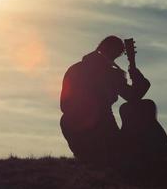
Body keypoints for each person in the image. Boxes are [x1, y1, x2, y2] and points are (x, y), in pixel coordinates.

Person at [60, 36, 153, 164]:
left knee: (92, 160)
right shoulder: (112, 73)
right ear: (115, 53)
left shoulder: (74, 69)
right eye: (117, 54)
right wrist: (135, 72)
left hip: (70, 125)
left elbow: (63, 105)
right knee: (123, 155)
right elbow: (133, 96)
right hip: (102, 127)